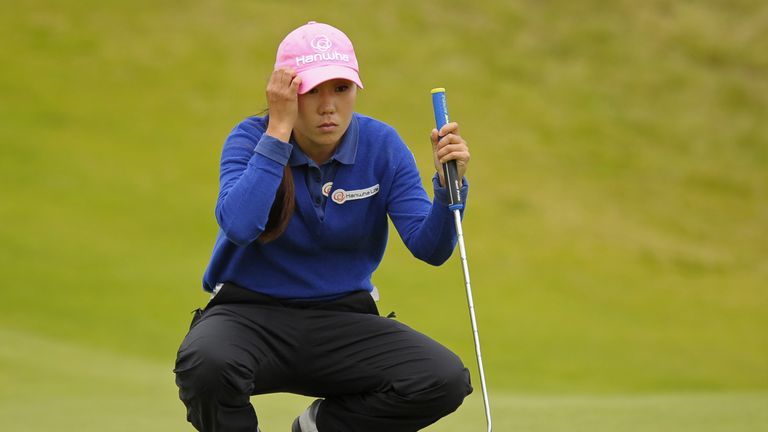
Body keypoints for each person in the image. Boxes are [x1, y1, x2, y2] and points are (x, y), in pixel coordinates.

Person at [174, 21, 473, 432]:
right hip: (248, 315)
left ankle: (316, 428)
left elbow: (431, 248)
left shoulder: (381, 144)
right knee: (206, 365)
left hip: (344, 319)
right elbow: (240, 225)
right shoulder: (249, 139)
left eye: (340, 88)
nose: (327, 105)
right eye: (311, 90)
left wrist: (445, 186)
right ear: (284, 92)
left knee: (441, 378)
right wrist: (278, 133)